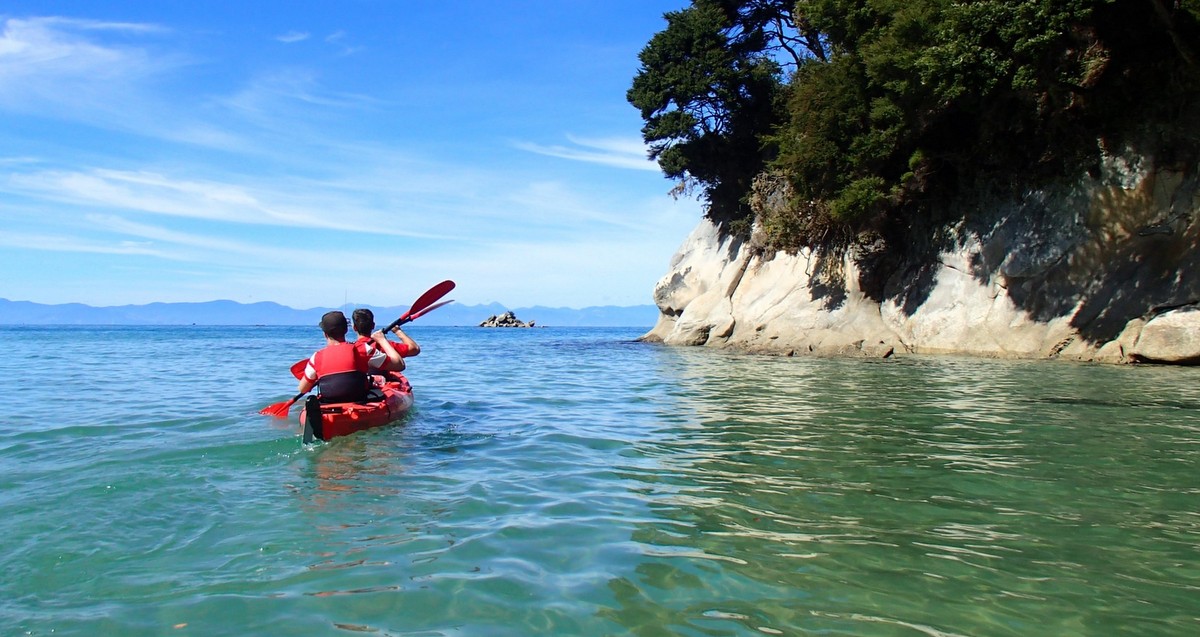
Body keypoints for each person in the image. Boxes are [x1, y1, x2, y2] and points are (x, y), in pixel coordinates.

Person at [298, 310, 401, 403]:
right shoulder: (362, 349)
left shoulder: (316, 357)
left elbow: (303, 389)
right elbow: (399, 365)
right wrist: (382, 340)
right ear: (346, 330)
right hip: (360, 399)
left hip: (329, 402)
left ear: (325, 334)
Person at [351, 308, 421, 373]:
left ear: (354, 328)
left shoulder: (353, 349)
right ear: (373, 326)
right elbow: (415, 349)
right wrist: (398, 331)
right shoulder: (385, 346)